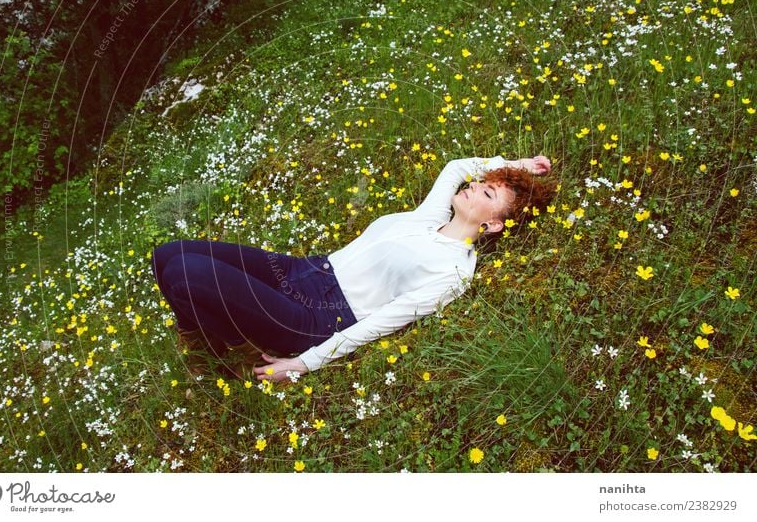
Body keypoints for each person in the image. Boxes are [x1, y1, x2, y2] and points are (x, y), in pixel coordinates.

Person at [150, 154, 555, 383]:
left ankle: (234, 356)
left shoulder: (454, 272)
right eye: (482, 182)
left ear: (493, 224)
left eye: (486, 193)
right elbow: (453, 168)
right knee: (166, 255)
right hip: (304, 271)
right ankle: (205, 344)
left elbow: (380, 324)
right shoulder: (429, 216)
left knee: (186, 274)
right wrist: (517, 165)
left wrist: (302, 363)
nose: (472, 187)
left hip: (314, 317)